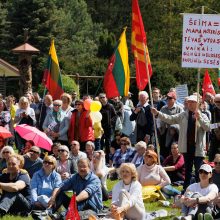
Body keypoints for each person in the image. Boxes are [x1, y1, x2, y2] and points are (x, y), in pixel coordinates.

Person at [151, 95, 210, 191]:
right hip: (187, 147)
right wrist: (158, 114)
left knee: (199, 170)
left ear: (198, 104)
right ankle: (186, 189)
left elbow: (207, 128)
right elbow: (170, 118)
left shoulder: (203, 115)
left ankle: (200, 189)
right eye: (189, 102)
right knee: (188, 170)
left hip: (198, 147)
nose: (190, 104)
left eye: (192, 102)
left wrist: (199, 118)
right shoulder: (183, 115)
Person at [157, 91, 183, 158]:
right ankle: (164, 163)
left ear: (174, 99)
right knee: (164, 149)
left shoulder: (179, 109)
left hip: (175, 133)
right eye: (167, 99)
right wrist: (159, 127)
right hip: (164, 132)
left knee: (174, 149)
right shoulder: (163, 108)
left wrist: (174, 127)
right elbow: (159, 119)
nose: (168, 100)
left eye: (170, 99)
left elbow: (182, 122)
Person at [99, 93, 117, 160]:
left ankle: (108, 158)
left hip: (108, 127)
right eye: (100, 97)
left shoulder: (110, 106)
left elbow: (115, 116)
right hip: (100, 127)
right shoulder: (99, 106)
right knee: (100, 142)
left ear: (106, 98)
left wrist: (111, 122)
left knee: (108, 142)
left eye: (103, 97)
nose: (102, 99)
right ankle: (100, 157)